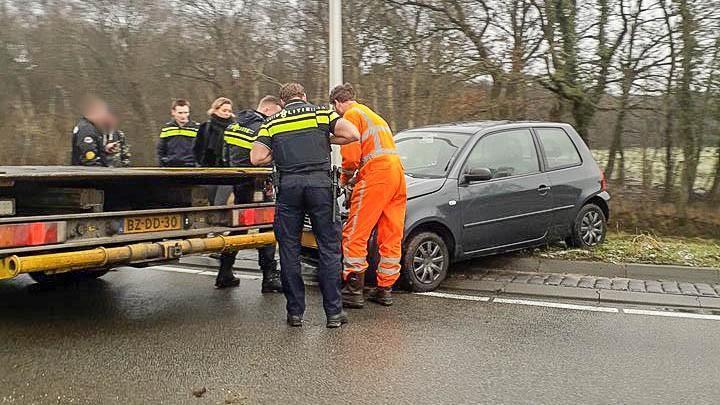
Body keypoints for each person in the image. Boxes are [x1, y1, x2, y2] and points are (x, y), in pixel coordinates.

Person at [250, 82, 360, 328]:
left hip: (289, 188)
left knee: (289, 250)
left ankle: (295, 313)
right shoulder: (321, 112)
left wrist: (277, 151)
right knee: (329, 249)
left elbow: (256, 157)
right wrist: (326, 138)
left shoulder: (273, 122)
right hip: (320, 187)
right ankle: (333, 313)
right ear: (304, 96)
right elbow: (352, 133)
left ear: (282, 101)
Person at [329, 83, 407, 308]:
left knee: (355, 232)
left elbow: (352, 157)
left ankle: (353, 290)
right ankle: (385, 290)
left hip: (377, 176)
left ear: (337, 104)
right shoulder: (375, 116)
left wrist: (345, 180)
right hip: (397, 175)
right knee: (391, 234)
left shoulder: (351, 115)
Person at [220, 95, 283, 293]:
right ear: (267, 110)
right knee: (266, 229)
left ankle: (224, 271)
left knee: (239, 229)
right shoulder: (262, 128)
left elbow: (224, 156)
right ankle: (269, 276)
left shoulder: (233, 126)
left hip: (238, 185)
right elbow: (265, 157)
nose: (277, 118)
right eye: (276, 114)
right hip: (258, 184)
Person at [71, 97, 117, 167]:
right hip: (87, 174)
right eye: (102, 112)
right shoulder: (87, 130)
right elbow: (89, 159)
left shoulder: (92, 128)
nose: (103, 116)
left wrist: (104, 150)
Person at [157, 99, 199, 167]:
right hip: (170, 166)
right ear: (173, 112)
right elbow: (161, 148)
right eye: (180, 113)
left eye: (186, 113)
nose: (183, 116)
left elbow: (201, 149)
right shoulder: (167, 128)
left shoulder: (196, 128)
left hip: (191, 166)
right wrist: (162, 163)